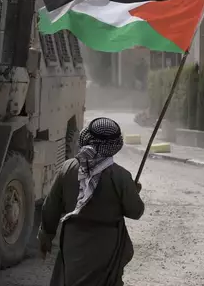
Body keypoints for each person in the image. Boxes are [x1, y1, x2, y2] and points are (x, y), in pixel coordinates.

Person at [38, 117, 145, 286]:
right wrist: (133, 192)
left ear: (86, 138)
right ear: (115, 145)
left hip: (73, 242)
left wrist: (46, 237)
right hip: (106, 246)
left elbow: (51, 207)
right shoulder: (121, 176)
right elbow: (135, 211)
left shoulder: (68, 168)